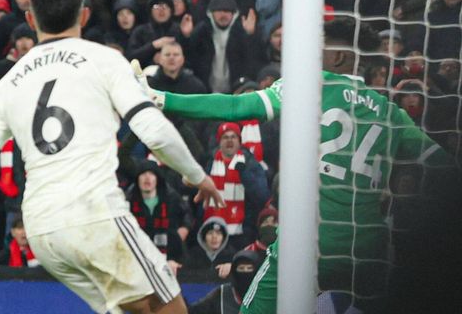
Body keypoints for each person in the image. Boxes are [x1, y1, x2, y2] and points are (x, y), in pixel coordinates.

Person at [0, 0, 224, 314]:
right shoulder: (104, 60)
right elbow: (153, 130)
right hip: (94, 214)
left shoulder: (10, 81)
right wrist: (196, 174)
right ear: (83, 14)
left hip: (42, 231)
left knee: (132, 310)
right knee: (169, 306)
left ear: (29, 18)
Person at [134, 18, 456, 313]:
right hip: (369, 251)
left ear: (339, 58)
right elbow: (443, 168)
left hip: (310, 242)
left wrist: (161, 99)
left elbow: (234, 106)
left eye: (319, 45)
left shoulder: (308, 89)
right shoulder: (391, 113)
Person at [189, 250, 263, 314]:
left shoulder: (265, 293)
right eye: (241, 268)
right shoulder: (222, 293)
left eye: (249, 268)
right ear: (234, 271)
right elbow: (196, 310)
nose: (245, 271)